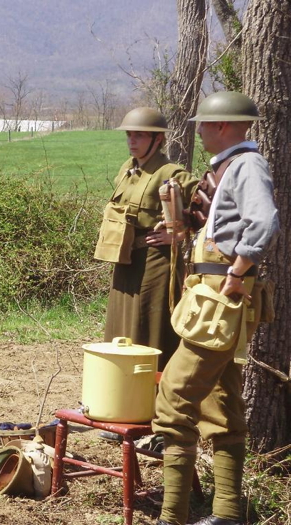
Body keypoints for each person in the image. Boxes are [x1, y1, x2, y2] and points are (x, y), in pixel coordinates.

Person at [153, 92, 279, 525]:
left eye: (204, 124)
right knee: (221, 405)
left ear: (223, 126)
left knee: (173, 398)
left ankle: (173, 516)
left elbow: (263, 221)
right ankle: (226, 513)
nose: (200, 130)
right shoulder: (229, 166)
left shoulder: (247, 166)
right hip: (209, 292)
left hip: (221, 295)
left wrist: (239, 267)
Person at [94, 108, 197, 446]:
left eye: (139, 135)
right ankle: (121, 406)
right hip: (125, 261)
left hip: (154, 264)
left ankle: (156, 417)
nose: (132, 141)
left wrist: (180, 233)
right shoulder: (128, 170)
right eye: (129, 135)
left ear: (158, 138)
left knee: (151, 334)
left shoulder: (172, 173)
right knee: (120, 334)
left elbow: (209, 209)